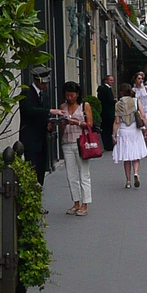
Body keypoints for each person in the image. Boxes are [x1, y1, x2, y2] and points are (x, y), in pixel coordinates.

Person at [53, 81, 94, 216]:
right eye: (67, 95)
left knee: (84, 173)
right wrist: (61, 124)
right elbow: (60, 127)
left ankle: (85, 203)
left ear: (77, 94)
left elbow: (90, 124)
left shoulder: (84, 106)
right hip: (67, 142)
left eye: (72, 95)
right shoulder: (62, 107)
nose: (69, 98)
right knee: (71, 175)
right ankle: (76, 202)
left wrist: (75, 122)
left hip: (81, 142)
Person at [18, 66, 51, 185]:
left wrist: (49, 124)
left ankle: (39, 192)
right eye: (44, 83)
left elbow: (43, 114)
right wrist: (49, 112)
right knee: (32, 169)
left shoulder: (44, 96)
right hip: (30, 139)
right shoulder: (26, 93)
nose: (46, 86)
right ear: (37, 80)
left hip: (42, 139)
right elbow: (29, 110)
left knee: (41, 169)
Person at [112, 81, 147, 188]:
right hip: (134, 130)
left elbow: (117, 121)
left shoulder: (118, 104)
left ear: (121, 92)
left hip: (123, 131)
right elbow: (142, 115)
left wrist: (113, 135)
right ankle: (136, 173)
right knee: (135, 155)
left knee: (126, 157)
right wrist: (146, 128)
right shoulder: (136, 101)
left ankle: (128, 181)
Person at [96, 74, 116, 153]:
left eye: (112, 80)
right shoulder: (106, 89)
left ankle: (107, 144)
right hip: (108, 113)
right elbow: (110, 101)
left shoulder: (102, 89)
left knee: (105, 129)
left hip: (104, 112)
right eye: (110, 80)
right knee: (108, 129)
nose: (112, 82)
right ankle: (109, 145)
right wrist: (115, 101)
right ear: (106, 81)